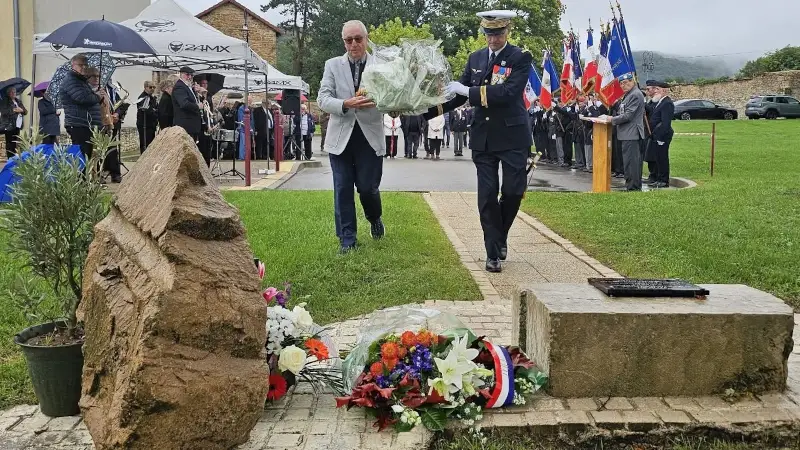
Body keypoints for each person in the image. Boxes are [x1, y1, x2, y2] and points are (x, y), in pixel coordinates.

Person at [422, 10, 532, 272]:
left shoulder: (520, 58)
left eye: (497, 34)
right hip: (483, 137)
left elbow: (507, 93)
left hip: (513, 136)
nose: (492, 39)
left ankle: (500, 234)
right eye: (488, 34)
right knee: (486, 196)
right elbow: (457, 96)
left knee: (514, 192)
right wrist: (424, 111)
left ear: (507, 32)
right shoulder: (476, 58)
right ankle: (492, 252)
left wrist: (469, 91)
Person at [317, 19, 386, 254]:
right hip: (340, 138)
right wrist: (345, 103)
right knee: (343, 188)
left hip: (369, 136)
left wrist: (387, 103)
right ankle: (347, 240)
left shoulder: (382, 65)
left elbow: (391, 98)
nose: (354, 44)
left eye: (358, 39)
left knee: (368, 188)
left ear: (366, 39)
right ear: (343, 41)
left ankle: (374, 218)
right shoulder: (332, 65)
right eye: (349, 40)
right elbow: (323, 99)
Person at [601, 72, 645, 191]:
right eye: (621, 84)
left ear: (633, 81)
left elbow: (628, 116)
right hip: (627, 134)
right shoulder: (628, 95)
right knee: (629, 163)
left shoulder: (635, 95)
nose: (623, 85)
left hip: (632, 134)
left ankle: (633, 187)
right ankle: (631, 185)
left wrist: (611, 119)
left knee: (632, 163)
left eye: (626, 83)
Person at [60, 54, 101, 162]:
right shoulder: (71, 80)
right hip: (78, 124)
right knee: (81, 158)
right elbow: (82, 98)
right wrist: (97, 96)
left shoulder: (80, 81)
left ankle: (85, 178)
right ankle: (81, 179)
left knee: (86, 157)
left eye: (85, 65)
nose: (84, 67)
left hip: (85, 124)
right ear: (73, 65)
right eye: (80, 65)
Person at [644, 80, 674, 188]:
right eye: (655, 89)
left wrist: (659, 136)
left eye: (657, 89)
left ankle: (664, 180)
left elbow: (665, 123)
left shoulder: (667, 103)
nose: (655, 91)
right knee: (657, 158)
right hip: (656, 135)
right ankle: (658, 178)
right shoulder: (660, 102)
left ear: (664, 90)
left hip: (662, 136)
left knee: (662, 158)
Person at [171, 66, 202, 148]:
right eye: (187, 75)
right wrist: (197, 106)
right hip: (185, 125)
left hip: (191, 125)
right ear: (181, 74)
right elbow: (184, 104)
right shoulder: (180, 87)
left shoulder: (187, 87)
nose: (189, 77)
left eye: (191, 75)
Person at [0, 86, 28, 158]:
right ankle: (10, 159)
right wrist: (14, 110)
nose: (13, 93)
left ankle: (14, 159)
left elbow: (25, 111)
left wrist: (21, 110)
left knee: (15, 143)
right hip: (9, 125)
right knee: (10, 144)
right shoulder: (5, 101)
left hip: (17, 125)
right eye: (11, 92)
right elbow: (3, 112)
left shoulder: (18, 101)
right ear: (8, 93)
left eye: (14, 92)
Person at [136, 81, 158, 153]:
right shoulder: (142, 98)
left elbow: (156, 109)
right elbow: (148, 111)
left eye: (154, 87)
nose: (152, 89)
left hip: (151, 125)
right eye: (150, 87)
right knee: (145, 144)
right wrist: (154, 111)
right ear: (145, 88)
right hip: (144, 125)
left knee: (151, 145)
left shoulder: (152, 98)